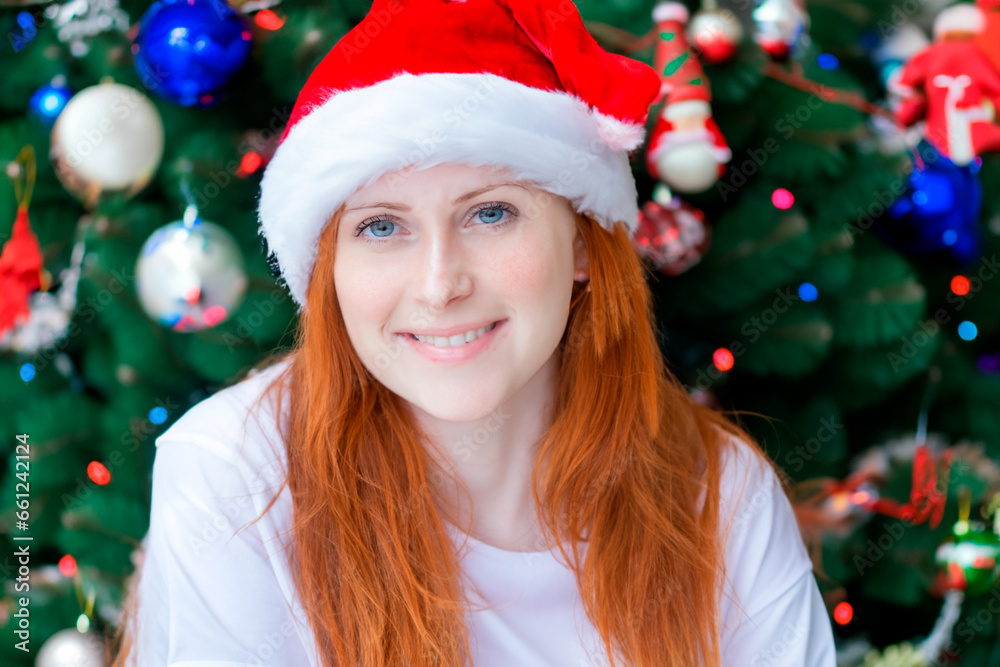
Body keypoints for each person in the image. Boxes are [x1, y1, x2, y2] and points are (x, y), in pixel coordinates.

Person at [109, 0, 838, 665]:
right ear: (328, 270)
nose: (438, 284)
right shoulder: (235, 476)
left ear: (583, 243)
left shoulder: (720, 497)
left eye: (490, 213)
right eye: (381, 226)